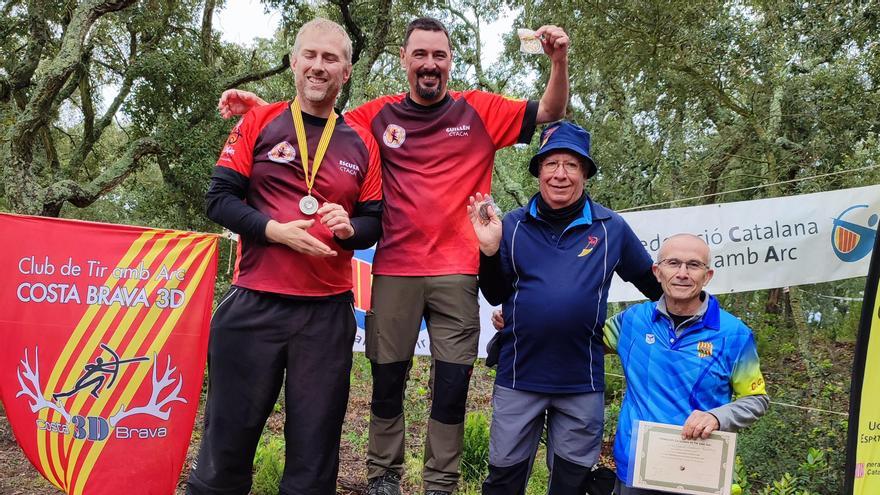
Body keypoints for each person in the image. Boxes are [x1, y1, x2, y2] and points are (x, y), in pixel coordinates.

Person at [218, 17, 571, 495]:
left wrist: (558, 60)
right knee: (387, 385)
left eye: (439, 55)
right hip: (395, 270)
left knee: (451, 387)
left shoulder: (480, 111)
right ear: (404, 60)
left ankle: (440, 483)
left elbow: (550, 110)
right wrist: (262, 110)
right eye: (420, 54)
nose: (430, 64)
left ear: (450, 62)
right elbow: (316, 120)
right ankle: (384, 478)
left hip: (458, 272)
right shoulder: (375, 117)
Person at [186, 18, 383, 495]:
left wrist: (350, 227)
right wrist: (273, 231)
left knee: (314, 458)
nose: (319, 66)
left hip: (325, 315)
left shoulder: (362, 143)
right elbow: (219, 200)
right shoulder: (258, 121)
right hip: (253, 304)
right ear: (294, 63)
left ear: (347, 72)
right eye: (310, 56)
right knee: (225, 447)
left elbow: (375, 222)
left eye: (330, 58)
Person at [468, 121, 662, 495]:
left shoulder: (611, 228)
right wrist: (489, 251)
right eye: (551, 163)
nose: (560, 174)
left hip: (581, 381)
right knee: (504, 478)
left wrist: (693, 315)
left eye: (571, 165)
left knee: (572, 484)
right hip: (519, 376)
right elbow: (494, 294)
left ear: (585, 173)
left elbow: (654, 286)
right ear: (538, 171)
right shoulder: (512, 225)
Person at [603, 233, 769, 494]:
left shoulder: (734, 334)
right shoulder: (631, 322)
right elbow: (580, 344)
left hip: (698, 473)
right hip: (636, 471)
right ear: (657, 272)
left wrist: (717, 416)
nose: (682, 273)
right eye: (673, 263)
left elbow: (756, 399)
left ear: (708, 275)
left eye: (693, 265)